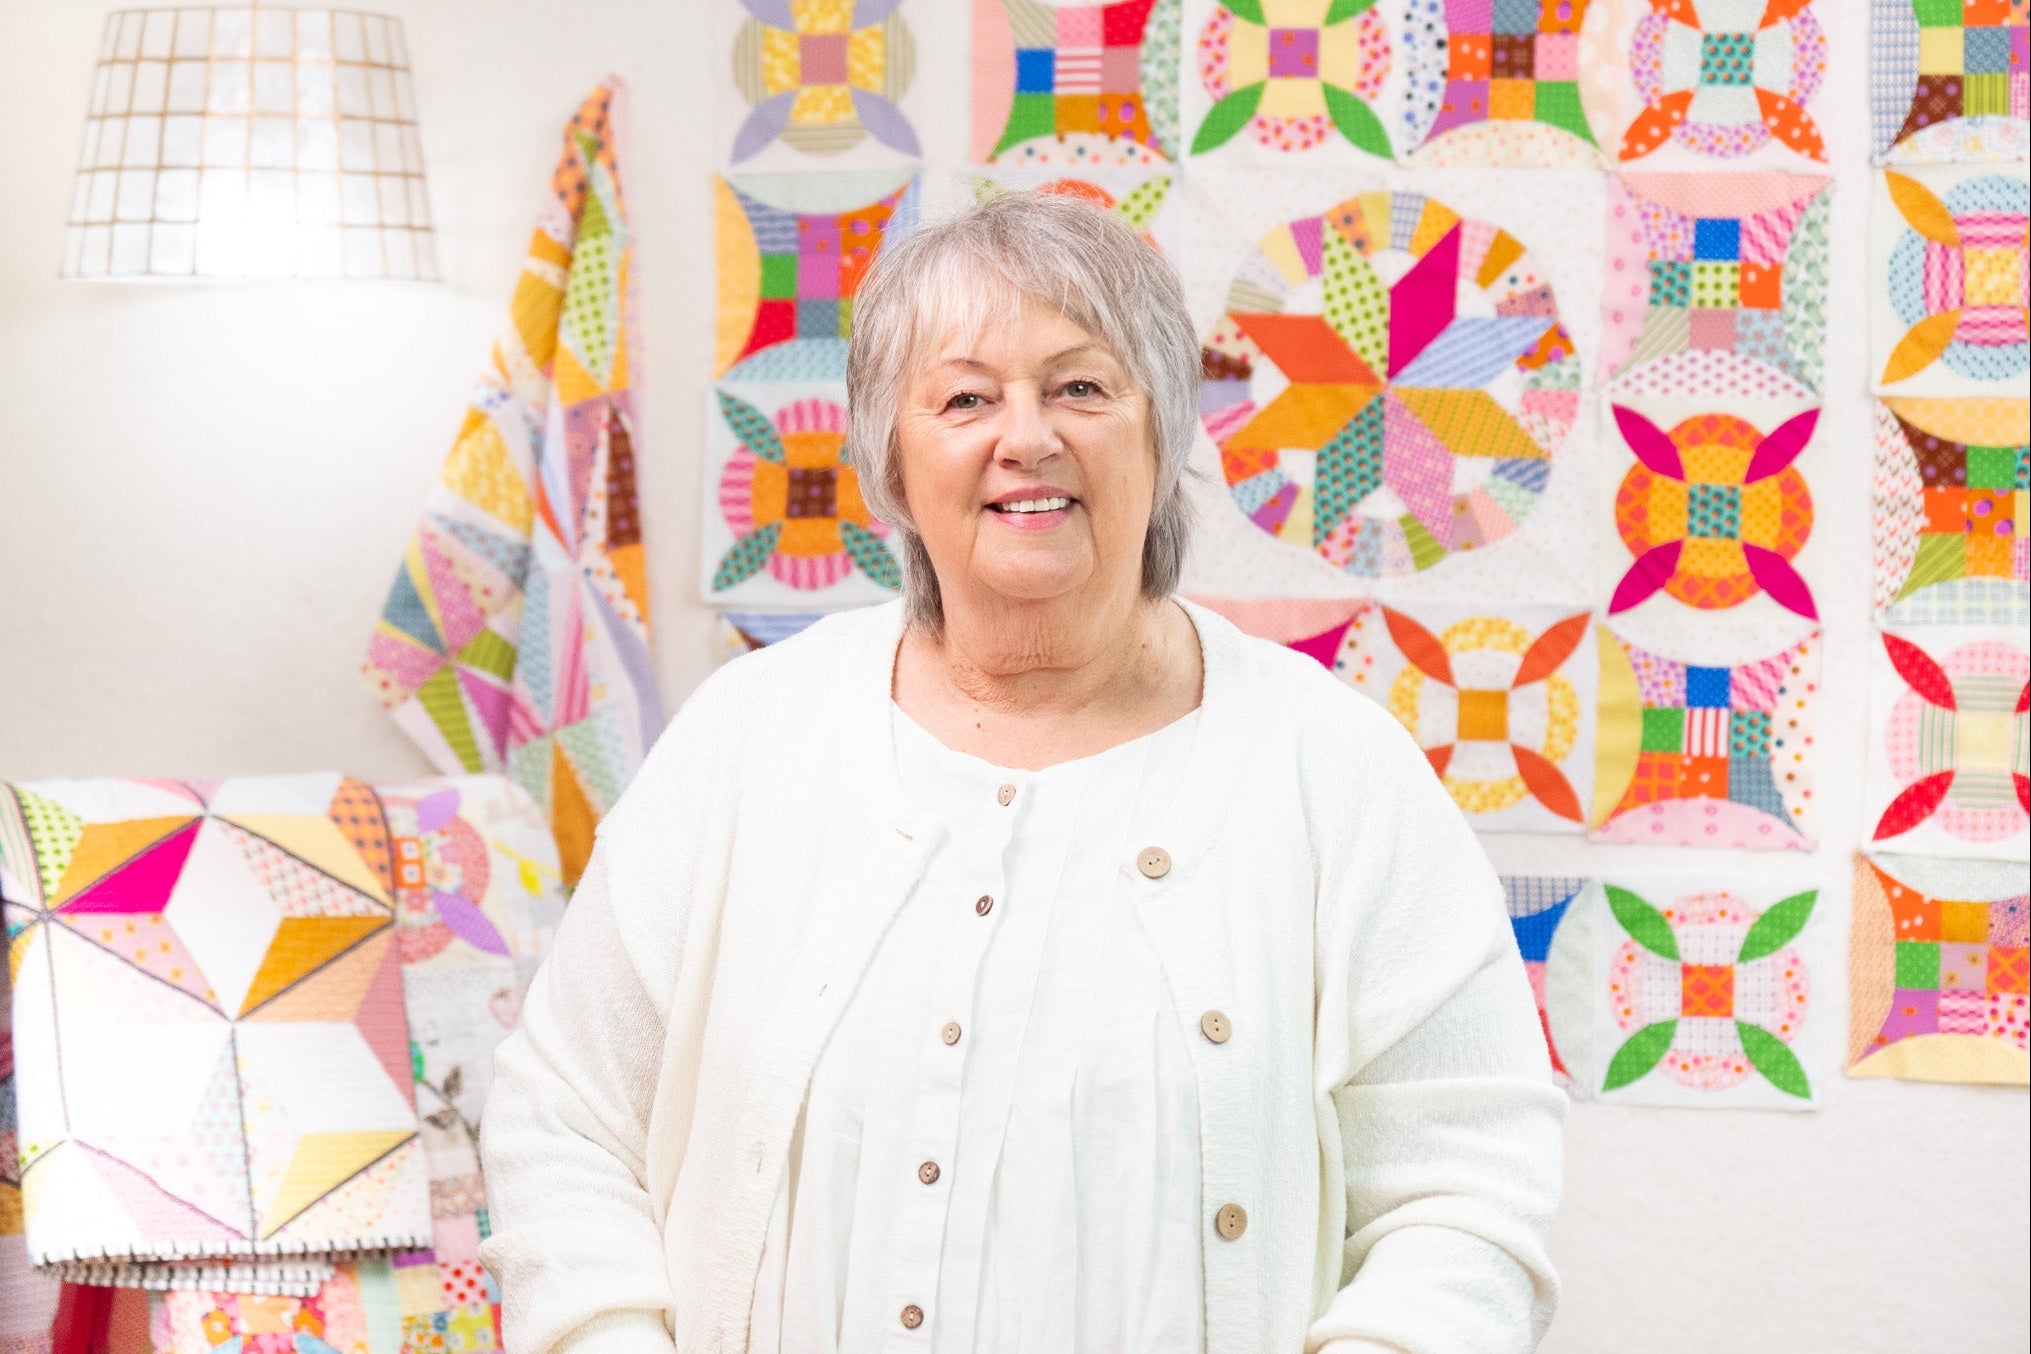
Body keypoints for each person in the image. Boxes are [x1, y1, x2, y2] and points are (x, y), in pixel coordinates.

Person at [479, 191, 1564, 1354]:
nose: (1026, 437)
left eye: (1081, 386)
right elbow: (566, 1122)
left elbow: (1470, 1193)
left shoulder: (1334, 770)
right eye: (964, 397)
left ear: (1164, 432)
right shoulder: (749, 738)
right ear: (890, 456)